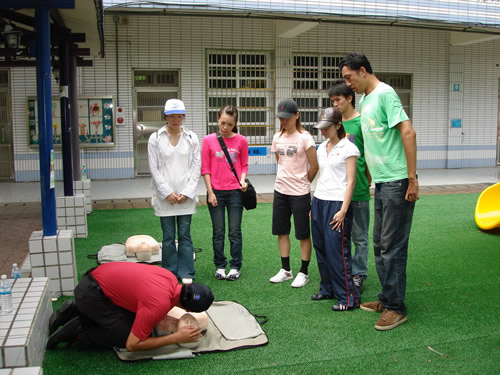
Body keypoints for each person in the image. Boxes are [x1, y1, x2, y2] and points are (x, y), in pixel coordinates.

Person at [340, 52, 419, 330]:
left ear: (362, 71)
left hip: (398, 181)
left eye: (349, 77)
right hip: (383, 183)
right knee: (379, 245)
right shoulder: (365, 99)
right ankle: (387, 298)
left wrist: (412, 178)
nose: (347, 83)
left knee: (393, 246)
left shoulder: (385, 94)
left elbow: (407, 132)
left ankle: (397, 308)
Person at [47, 262, 214, 351]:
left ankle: (73, 310)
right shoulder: (159, 304)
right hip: (92, 295)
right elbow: (132, 345)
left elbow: (145, 295)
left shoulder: (169, 277)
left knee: (137, 322)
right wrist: (175, 338)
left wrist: (161, 316)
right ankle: (78, 331)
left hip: (93, 278)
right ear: (189, 310)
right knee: (126, 337)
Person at [310, 107, 361, 311]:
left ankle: (348, 298)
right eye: (320, 127)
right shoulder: (321, 147)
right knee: (321, 248)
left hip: (337, 204)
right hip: (320, 201)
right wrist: (314, 201)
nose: (322, 131)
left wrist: (343, 210)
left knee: (337, 252)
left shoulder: (349, 149)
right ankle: (327, 288)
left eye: (326, 127)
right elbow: (321, 176)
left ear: (338, 125)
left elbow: (351, 182)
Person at [147, 99, 201, 285]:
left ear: (184, 116)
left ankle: (186, 270)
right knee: (168, 236)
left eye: (179, 116)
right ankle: (169, 272)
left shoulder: (192, 138)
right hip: (166, 198)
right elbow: (153, 168)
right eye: (172, 116)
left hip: (185, 196)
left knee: (185, 234)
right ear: (165, 116)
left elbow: (196, 166)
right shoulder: (155, 138)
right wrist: (166, 192)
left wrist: (187, 192)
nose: (176, 119)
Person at [269, 99, 319, 288]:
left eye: (287, 118)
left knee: (303, 234)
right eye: (281, 118)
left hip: (300, 193)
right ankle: (286, 270)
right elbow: (279, 161)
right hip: (280, 191)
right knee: (281, 231)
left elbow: (314, 166)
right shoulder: (277, 137)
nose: (284, 121)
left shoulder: (305, 137)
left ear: (297, 115)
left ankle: (303, 272)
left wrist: (303, 182)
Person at [328, 80, 371, 293]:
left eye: (338, 100)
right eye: (332, 101)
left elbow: (369, 154)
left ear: (349, 98)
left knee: (360, 236)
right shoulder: (334, 125)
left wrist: (369, 176)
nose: (335, 104)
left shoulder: (362, 122)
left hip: (359, 189)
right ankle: (341, 271)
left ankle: (358, 274)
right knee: (338, 235)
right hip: (336, 191)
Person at [201, 105, 249, 281]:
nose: (225, 127)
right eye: (222, 123)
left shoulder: (241, 141)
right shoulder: (208, 140)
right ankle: (220, 265)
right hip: (216, 193)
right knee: (218, 231)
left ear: (235, 123)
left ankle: (235, 266)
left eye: (229, 124)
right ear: (217, 119)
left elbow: (244, 165)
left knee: (235, 231)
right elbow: (205, 168)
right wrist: (210, 192)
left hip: (235, 192)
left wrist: (242, 180)